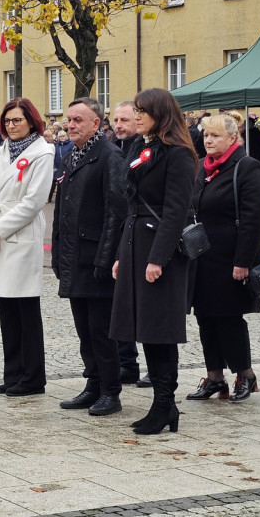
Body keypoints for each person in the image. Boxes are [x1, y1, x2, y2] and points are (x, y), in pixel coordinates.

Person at [110, 89, 198, 435]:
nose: (138, 116)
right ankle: (163, 405)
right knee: (145, 328)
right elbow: (131, 206)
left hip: (161, 253)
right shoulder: (143, 147)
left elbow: (177, 210)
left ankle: (164, 403)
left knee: (160, 330)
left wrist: (157, 258)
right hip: (136, 245)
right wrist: (122, 254)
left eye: (143, 111)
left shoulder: (178, 154)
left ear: (160, 113)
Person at [185, 114, 260, 404]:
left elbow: (253, 220)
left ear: (233, 138)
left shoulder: (247, 167)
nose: (208, 140)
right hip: (203, 258)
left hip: (232, 258)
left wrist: (243, 261)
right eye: (206, 135)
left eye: (215, 136)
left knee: (229, 320)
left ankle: (246, 375)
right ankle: (214, 378)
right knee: (206, 318)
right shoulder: (202, 168)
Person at [0, 98, 54, 397]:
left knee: (25, 309)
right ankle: (13, 373)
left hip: (20, 236)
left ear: (31, 121)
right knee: (6, 309)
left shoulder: (42, 152)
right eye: (7, 121)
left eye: (17, 120)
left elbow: (34, 202)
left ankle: (33, 377)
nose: (11, 125)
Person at [52, 97, 126, 416]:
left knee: (101, 330)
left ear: (96, 123)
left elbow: (116, 212)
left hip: (97, 258)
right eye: (69, 120)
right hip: (75, 257)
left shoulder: (110, 156)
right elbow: (62, 210)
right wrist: (57, 251)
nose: (70, 125)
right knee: (84, 329)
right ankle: (93, 384)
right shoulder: (73, 155)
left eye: (78, 120)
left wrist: (105, 258)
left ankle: (111, 391)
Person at [110, 101, 144, 386]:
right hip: (118, 231)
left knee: (140, 303)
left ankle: (139, 364)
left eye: (124, 119)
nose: (119, 124)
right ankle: (126, 362)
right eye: (115, 119)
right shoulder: (115, 146)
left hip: (137, 230)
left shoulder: (141, 148)